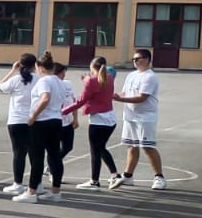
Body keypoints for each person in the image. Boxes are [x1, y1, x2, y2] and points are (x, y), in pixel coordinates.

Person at [15, 52, 67, 204]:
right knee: (54, 155)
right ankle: (56, 191)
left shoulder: (44, 81)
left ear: (40, 67)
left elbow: (45, 98)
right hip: (56, 120)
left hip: (42, 122)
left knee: (37, 157)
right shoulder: (59, 82)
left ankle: (31, 192)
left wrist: (33, 116)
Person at [112, 48, 166, 190]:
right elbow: (125, 92)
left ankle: (159, 177)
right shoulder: (131, 75)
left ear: (147, 59)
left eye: (138, 59)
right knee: (132, 146)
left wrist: (119, 99)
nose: (135, 62)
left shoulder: (150, 77)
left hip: (145, 117)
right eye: (133, 59)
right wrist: (113, 95)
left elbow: (142, 97)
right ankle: (128, 176)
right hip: (130, 116)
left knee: (147, 146)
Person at [63, 56, 120, 189]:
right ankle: (113, 174)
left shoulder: (92, 81)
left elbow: (81, 101)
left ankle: (97, 180)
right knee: (101, 148)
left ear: (91, 67)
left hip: (98, 120)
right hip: (110, 118)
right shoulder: (109, 78)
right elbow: (98, 88)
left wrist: (64, 111)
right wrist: (88, 81)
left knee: (96, 150)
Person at [0, 53, 38, 194]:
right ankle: (36, 184)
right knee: (35, 153)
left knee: (18, 153)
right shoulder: (39, 79)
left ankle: (18, 183)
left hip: (16, 120)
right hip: (33, 120)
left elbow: (0, 86)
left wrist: (12, 70)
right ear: (35, 65)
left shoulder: (16, 79)